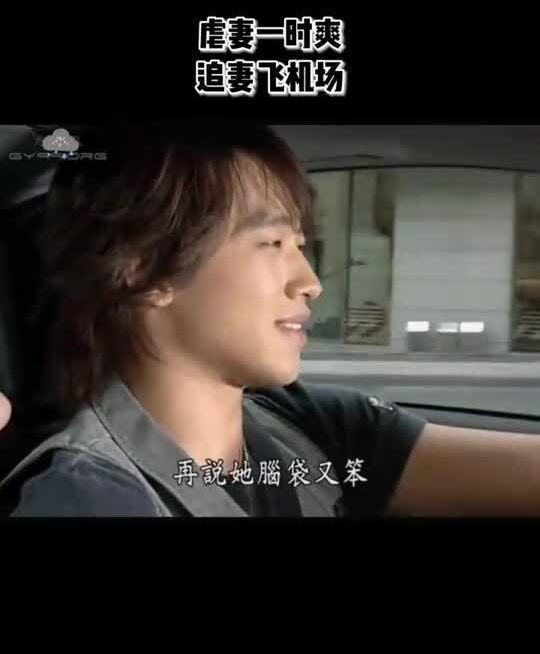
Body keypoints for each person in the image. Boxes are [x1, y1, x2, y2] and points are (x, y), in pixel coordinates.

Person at [2, 121, 540, 517]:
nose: (310, 281)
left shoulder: (311, 431)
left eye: (301, 245)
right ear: (144, 270)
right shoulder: (86, 497)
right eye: (273, 242)